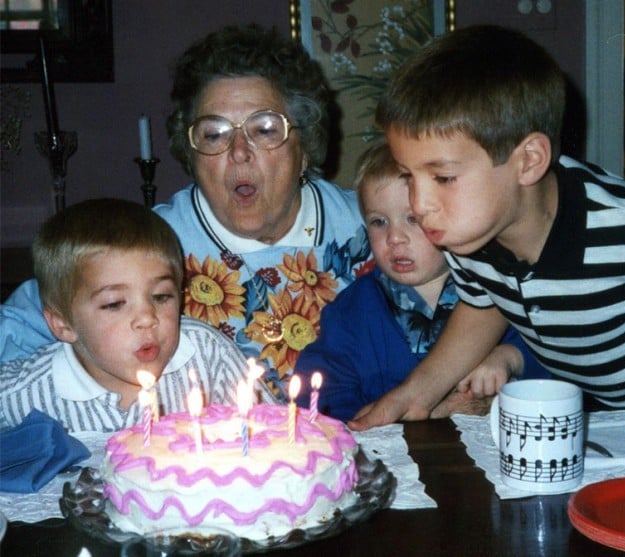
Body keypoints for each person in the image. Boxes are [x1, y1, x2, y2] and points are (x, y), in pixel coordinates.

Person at [349, 25, 625, 430]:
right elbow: (485, 304)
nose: (419, 205)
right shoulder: (468, 231)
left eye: (442, 178)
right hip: (604, 416)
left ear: (528, 161)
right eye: (409, 176)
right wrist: (415, 395)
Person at [0, 25, 371, 399]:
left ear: (304, 144)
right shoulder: (153, 243)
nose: (239, 151)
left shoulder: (371, 226)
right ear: (192, 156)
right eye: (214, 134)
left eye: (264, 129)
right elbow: (27, 320)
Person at [295, 143, 550, 421]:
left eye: (412, 220)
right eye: (379, 222)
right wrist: (354, 421)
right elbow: (321, 393)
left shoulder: (492, 290)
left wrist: (510, 357)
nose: (394, 238)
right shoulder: (350, 312)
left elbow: (554, 354)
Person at [0, 199, 276, 432]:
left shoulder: (208, 355)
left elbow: (275, 433)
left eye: (161, 296)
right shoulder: (29, 392)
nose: (147, 318)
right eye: (115, 303)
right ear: (63, 324)